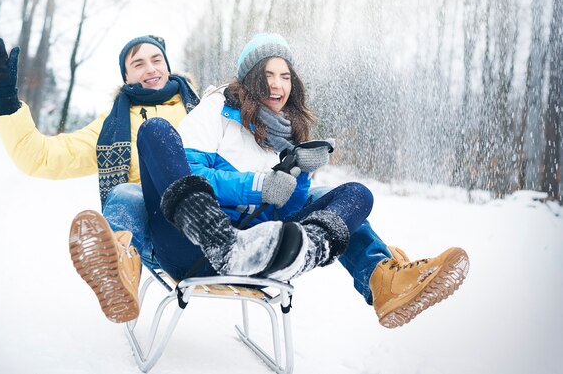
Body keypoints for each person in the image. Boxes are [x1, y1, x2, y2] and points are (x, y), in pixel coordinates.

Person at [74, 33, 470, 329]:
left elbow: (284, 208)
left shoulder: (289, 132)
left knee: (354, 195)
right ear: (248, 80)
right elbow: (190, 172)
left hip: (260, 250)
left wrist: (295, 173)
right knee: (155, 136)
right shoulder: (214, 110)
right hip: (194, 241)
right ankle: (126, 262)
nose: (277, 84)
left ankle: (382, 280)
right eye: (267, 75)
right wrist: (257, 184)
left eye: (285, 75)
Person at [0, 35, 200, 323]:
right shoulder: (112, 126)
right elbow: (42, 157)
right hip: (155, 235)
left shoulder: (202, 110)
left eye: (157, 60)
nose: (151, 69)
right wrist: (5, 99)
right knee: (125, 195)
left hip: (204, 220)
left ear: (168, 66)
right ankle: (119, 272)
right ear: (126, 76)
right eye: (139, 63)